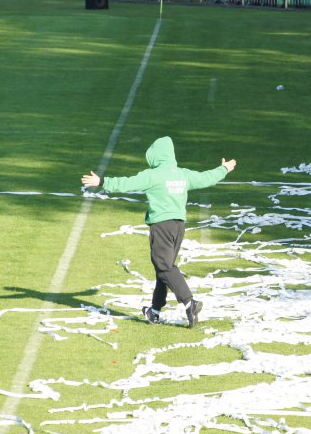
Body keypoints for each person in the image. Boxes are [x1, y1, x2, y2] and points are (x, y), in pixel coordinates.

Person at [80, 137, 237, 329]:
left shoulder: (153, 175)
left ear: (155, 155)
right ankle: (154, 311)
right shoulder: (182, 174)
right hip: (178, 226)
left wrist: (102, 181)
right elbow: (206, 178)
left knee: (165, 268)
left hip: (161, 226)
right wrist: (225, 168)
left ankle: (190, 303)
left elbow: (127, 183)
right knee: (163, 269)